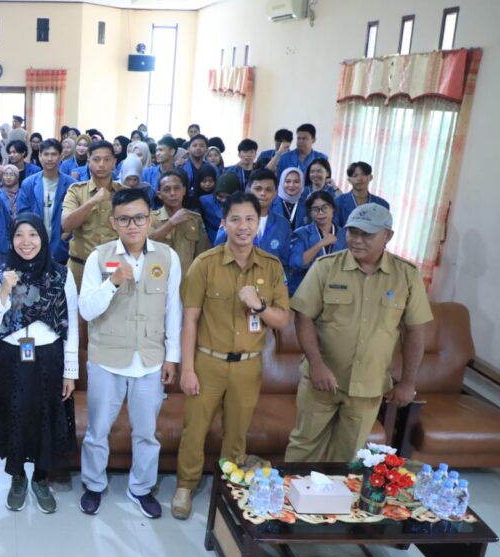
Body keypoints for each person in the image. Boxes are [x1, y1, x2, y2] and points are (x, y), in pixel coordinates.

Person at [171, 192, 291, 521]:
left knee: (237, 432)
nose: (242, 226)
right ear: (223, 223)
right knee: (194, 428)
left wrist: (259, 305)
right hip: (207, 361)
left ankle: (229, 486)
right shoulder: (204, 264)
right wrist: (188, 369)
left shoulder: (271, 265)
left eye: (249, 219)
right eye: (235, 219)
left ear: (258, 224)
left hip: (248, 365)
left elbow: (282, 319)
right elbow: (190, 320)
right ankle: (186, 484)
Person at [285, 204, 432, 462]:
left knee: (347, 456)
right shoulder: (326, 267)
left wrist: (408, 382)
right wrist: (317, 365)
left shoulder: (406, 276)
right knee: (303, 449)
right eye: (352, 232)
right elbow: (303, 315)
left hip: (368, 385)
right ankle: (293, 501)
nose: (357, 240)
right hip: (322, 381)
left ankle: (333, 504)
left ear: (387, 235)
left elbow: (415, 331)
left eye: (367, 234)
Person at [78, 188, 182, 518]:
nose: (133, 225)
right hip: (107, 357)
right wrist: (112, 283)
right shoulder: (101, 257)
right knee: (98, 430)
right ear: (113, 222)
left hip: (150, 358)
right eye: (124, 219)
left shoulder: (167, 257)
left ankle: (140, 488)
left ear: (150, 219)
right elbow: (86, 310)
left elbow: (172, 309)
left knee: (146, 432)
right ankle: (93, 484)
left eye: (139, 217)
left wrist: (172, 356)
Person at [0, 213, 78, 513]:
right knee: (15, 418)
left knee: (45, 419)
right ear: (11, 240)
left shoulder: (62, 274)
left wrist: (70, 372)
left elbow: (71, 323)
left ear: (43, 238)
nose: (26, 242)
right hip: (10, 358)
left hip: (49, 358)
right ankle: (18, 477)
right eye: (19, 235)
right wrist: (4, 290)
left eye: (33, 235)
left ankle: (40, 478)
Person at [61, 140, 124, 288]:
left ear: (114, 162)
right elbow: (66, 225)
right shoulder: (76, 190)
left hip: (111, 264)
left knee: (110, 308)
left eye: (107, 159)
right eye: (96, 159)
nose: (101, 164)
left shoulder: (124, 193)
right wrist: (92, 202)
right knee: (76, 309)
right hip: (79, 264)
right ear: (89, 161)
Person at [214, 169, 292, 270]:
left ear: (275, 193)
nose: (263, 193)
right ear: (249, 189)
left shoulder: (283, 225)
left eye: (268, 190)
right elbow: (217, 249)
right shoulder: (233, 219)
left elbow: (284, 262)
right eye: (258, 189)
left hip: (269, 280)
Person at [17, 138, 74, 265]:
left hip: (62, 247)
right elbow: (22, 215)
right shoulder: (29, 184)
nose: (49, 158)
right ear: (40, 156)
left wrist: (64, 237)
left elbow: (75, 218)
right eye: (46, 154)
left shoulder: (71, 185)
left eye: (54, 154)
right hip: (33, 245)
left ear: (61, 156)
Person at [150, 170, 211, 275]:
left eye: (177, 188)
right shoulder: (151, 218)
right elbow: (145, 245)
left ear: (184, 191)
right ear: (159, 194)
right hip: (158, 280)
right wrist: (171, 223)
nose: (173, 193)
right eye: (167, 190)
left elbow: (203, 255)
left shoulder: (195, 219)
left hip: (187, 282)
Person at [287, 190, 346, 295]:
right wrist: (320, 244)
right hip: (305, 290)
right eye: (315, 209)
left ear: (333, 208)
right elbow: (296, 263)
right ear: (310, 212)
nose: (321, 212)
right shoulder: (301, 233)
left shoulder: (344, 234)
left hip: (335, 290)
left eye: (325, 207)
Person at [335, 161, 390, 227]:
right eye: (355, 176)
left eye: (363, 174)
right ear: (349, 180)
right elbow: (336, 229)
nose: (359, 178)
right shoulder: (338, 202)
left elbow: (383, 231)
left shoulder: (382, 205)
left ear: (370, 177)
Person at [200, 172, 240, 243]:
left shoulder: (242, 206)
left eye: (227, 197)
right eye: (220, 196)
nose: (223, 200)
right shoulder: (205, 202)